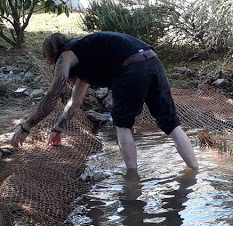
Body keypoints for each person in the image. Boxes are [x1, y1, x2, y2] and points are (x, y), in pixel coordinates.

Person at [10, 31, 198, 170]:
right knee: (172, 124)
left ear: (52, 55)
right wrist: (58, 128)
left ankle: (132, 181)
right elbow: (75, 100)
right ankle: (194, 171)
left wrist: (25, 127)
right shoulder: (86, 52)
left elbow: (52, 96)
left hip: (131, 68)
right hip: (153, 62)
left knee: (123, 124)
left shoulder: (66, 56)